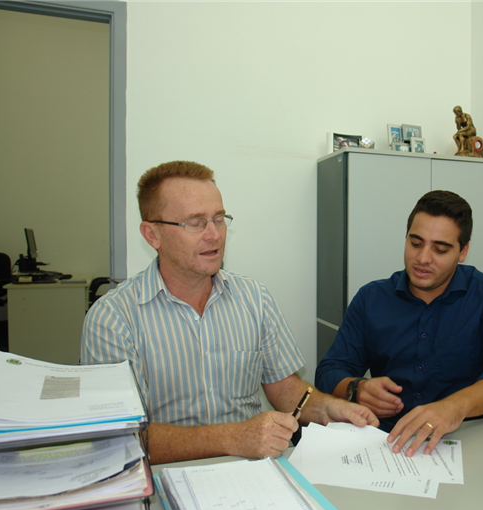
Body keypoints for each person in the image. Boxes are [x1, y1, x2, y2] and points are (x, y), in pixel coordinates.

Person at [81, 160, 377, 464]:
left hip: (250, 476)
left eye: (219, 218)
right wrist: (234, 437)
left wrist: (329, 408)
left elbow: (285, 389)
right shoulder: (113, 319)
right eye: (195, 222)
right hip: (162, 480)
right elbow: (119, 439)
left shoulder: (253, 298)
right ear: (152, 234)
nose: (214, 234)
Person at [315, 190, 483, 457]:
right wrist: (356, 389)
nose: (423, 258)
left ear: (463, 252)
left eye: (440, 249)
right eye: (415, 243)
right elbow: (330, 370)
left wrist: (454, 407)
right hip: (391, 443)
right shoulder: (371, 299)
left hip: (472, 438)